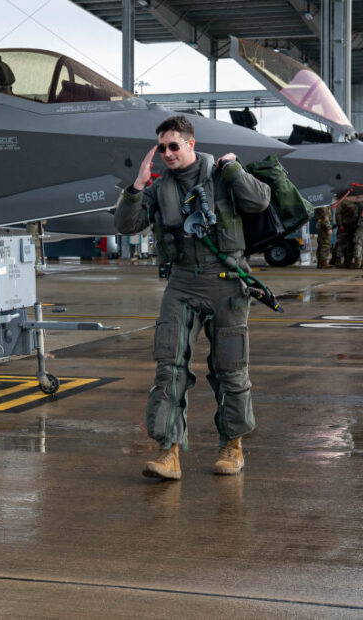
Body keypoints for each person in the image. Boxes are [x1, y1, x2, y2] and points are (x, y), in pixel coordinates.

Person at [114, 114, 271, 479]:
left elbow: (260, 202)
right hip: (182, 284)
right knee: (169, 369)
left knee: (230, 370)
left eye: (174, 146)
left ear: (191, 145)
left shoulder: (222, 175)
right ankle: (169, 452)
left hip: (228, 283)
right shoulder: (158, 189)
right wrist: (136, 187)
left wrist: (235, 170)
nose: (168, 153)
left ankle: (232, 446)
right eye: (162, 147)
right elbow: (125, 226)